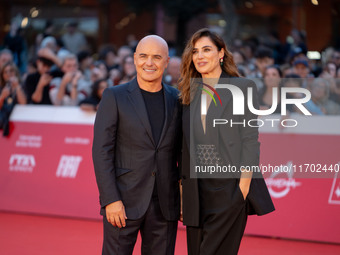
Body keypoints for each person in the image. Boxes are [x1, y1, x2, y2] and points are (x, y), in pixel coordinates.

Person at [178, 28, 275, 255]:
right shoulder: (186, 93)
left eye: (206, 50)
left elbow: (250, 141)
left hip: (228, 189)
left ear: (221, 53)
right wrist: (183, 194)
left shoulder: (242, 88)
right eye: (195, 51)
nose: (200, 56)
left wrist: (241, 190)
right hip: (196, 192)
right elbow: (183, 149)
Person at [92, 35, 181, 255]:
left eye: (156, 57)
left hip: (165, 205)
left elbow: (182, 152)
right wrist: (110, 199)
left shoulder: (177, 99)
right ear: (134, 58)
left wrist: (183, 197)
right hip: (123, 202)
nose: (149, 63)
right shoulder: (115, 96)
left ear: (166, 61)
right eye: (143, 56)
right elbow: (101, 151)